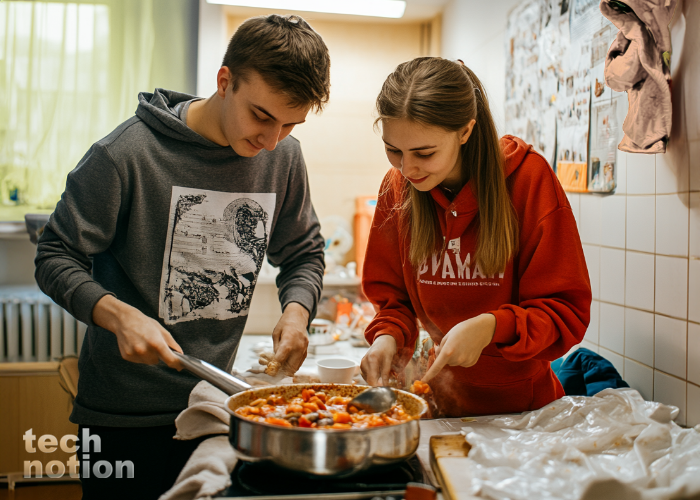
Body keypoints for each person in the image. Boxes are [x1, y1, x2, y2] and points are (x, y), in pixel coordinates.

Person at [34, 14, 329, 499]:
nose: (272, 141)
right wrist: (118, 315)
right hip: (121, 419)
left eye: (290, 124)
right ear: (224, 81)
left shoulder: (284, 156)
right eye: (261, 116)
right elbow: (55, 255)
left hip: (216, 407)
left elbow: (302, 252)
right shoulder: (125, 154)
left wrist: (296, 313)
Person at [360, 57, 591, 417]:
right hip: (438, 403)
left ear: (465, 132)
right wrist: (387, 338)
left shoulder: (529, 181)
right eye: (394, 150)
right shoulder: (399, 188)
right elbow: (393, 300)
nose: (407, 169)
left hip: (523, 415)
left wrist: (491, 327)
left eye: (424, 153)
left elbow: (565, 313)